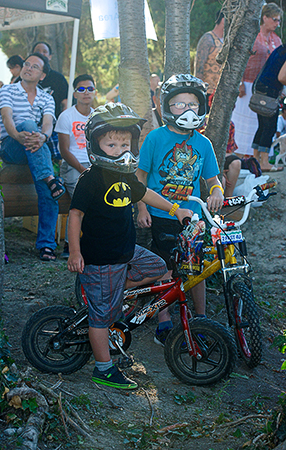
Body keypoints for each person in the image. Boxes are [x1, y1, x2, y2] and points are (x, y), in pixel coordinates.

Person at [67, 102, 192, 389]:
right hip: (100, 257)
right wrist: (75, 251)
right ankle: (103, 368)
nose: (120, 149)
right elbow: (75, 216)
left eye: (124, 143)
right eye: (111, 144)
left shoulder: (124, 175)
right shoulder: (91, 179)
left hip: (125, 252)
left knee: (160, 267)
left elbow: (146, 193)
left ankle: (115, 291)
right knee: (103, 318)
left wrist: (176, 209)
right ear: (97, 145)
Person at [136, 74, 224, 345]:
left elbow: (212, 179)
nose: (187, 109)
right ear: (166, 108)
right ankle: (164, 321)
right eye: (179, 104)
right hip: (162, 215)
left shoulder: (204, 143)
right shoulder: (154, 138)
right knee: (165, 267)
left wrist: (217, 192)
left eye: (192, 104)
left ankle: (200, 319)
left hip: (193, 218)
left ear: (201, 108)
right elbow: (139, 178)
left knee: (197, 269)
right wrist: (142, 209)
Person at [0, 52, 65, 261]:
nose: (28, 68)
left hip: (35, 148)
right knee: (27, 124)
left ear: (42, 75)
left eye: (35, 66)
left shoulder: (47, 97)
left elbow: (47, 124)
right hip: (11, 147)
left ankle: (46, 246)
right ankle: (50, 177)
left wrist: (43, 137)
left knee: (48, 191)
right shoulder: (8, 90)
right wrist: (19, 135)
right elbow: (7, 117)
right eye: (27, 64)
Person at [232, 3, 282, 157]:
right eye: (274, 19)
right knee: (244, 123)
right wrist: (239, 82)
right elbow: (240, 59)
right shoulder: (253, 35)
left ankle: (256, 159)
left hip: (267, 89)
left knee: (263, 125)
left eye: (279, 21)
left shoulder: (276, 40)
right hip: (247, 84)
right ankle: (238, 155)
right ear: (264, 17)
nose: (277, 23)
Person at [55, 74, 96, 258]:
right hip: (72, 166)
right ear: (75, 93)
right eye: (81, 89)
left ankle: (87, 243)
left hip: (94, 166)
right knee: (81, 200)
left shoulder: (98, 117)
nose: (86, 92)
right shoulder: (66, 116)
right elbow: (64, 151)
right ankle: (68, 245)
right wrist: (82, 169)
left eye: (90, 89)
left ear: (95, 92)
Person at [252, 43, 286, 172]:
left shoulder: (281, 49)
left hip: (261, 87)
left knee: (262, 126)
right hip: (269, 91)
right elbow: (282, 77)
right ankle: (264, 162)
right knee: (269, 127)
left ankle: (256, 160)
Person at [32, 42, 69, 160]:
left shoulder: (58, 78)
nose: (41, 54)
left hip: (54, 128)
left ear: (50, 56)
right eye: (38, 51)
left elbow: (65, 104)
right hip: (30, 128)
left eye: (44, 51)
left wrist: (62, 126)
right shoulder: (23, 78)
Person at [194, 10, 225, 109]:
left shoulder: (225, 41)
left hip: (219, 93)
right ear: (223, 20)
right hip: (206, 92)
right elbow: (199, 66)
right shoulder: (208, 38)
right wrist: (197, 93)